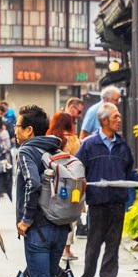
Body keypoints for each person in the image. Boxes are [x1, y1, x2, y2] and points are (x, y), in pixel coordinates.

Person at [14, 104, 72, 277]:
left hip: (38, 227)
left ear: (28, 130)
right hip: (60, 225)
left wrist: (26, 219)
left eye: (18, 125)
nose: (14, 130)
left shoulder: (27, 150)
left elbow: (33, 183)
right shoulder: (55, 148)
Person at [76, 103, 138, 277]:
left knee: (113, 242)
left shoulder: (122, 145)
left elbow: (128, 172)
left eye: (119, 117)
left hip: (117, 201)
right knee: (94, 242)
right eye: (115, 117)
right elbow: (77, 168)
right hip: (97, 201)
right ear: (104, 120)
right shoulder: (89, 144)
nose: (119, 120)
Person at [47, 111, 83, 260]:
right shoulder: (73, 140)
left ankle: (52, 245)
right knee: (69, 216)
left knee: (52, 212)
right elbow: (79, 161)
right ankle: (66, 249)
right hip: (70, 182)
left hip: (52, 180)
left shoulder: (49, 138)